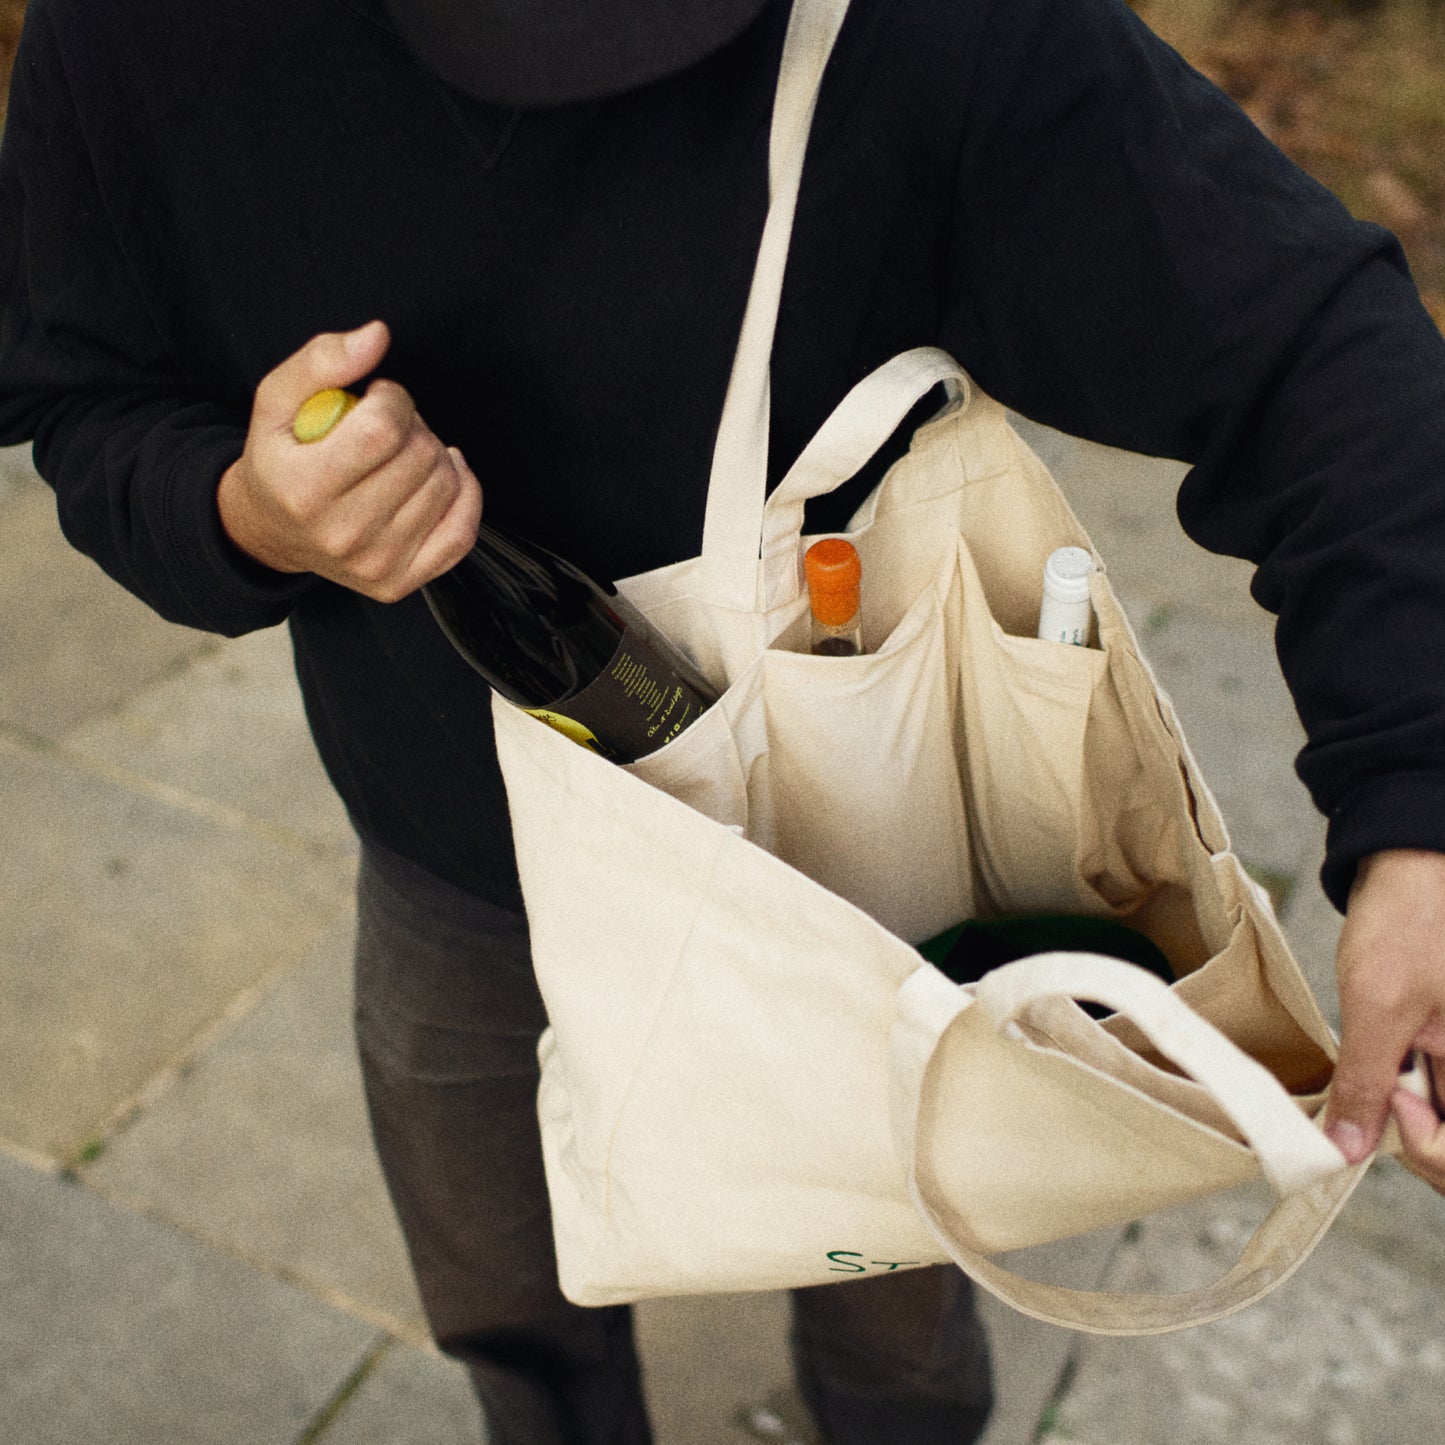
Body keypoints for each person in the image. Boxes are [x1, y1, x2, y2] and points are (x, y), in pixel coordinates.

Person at [3, 0, 1445, 1439]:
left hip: (855, 868)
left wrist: (1418, 825)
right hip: (453, 855)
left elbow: (1319, 358)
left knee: (897, 1303)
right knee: (507, 1297)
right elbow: (84, 397)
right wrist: (242, 513)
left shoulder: (922, 34)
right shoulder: (139, 40)